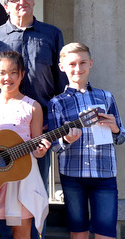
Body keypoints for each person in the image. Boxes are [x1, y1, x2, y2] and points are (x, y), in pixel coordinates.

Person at [0, 0, 67, 238]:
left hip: (38, 130)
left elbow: (61, 83)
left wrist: (55, 125)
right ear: (6, 5)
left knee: (31, 196)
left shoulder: (52, 34)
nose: (21, 2)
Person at [48, 42, 125, 239]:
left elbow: (121, 136)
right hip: (73, 176)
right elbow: (55, 145)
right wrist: (66, 139)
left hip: (104, 174)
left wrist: (115, 128)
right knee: (78, 232)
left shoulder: (106, 97)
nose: (78, 68)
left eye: (82, 63)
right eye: (72, 64)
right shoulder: (57, 103)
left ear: (90, 64)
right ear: (62, 67)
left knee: (106, 233)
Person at [0, 50, 50, 239]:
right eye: (2, 72)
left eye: (13, 72)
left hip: (22, 178)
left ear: (22, 75)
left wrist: (41, 151)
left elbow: (37, 148)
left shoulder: (32, 106)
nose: (7, 77)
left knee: (22, 233)